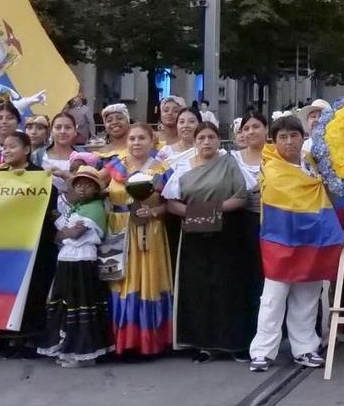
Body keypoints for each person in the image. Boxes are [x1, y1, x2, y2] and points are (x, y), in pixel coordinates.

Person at [250, 115, 344, 371]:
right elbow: (295, 202)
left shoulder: (311, 163)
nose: (289, 142)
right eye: (283, 137)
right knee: (272, 298)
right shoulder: (271, 166)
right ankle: (263, 352)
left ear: (303, 137)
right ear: (274, 140)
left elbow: (322, 201)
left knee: (308, 296)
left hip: (311, 242)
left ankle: (306, 348)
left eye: (294, 135)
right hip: (281, 240)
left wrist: (334, 231)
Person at [162, 119, 260, 359]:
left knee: (230, 288)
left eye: (211, 137)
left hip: (229, 234)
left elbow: (242, 196)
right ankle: (203, 344)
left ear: (218, 140)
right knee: (199, 289)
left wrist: (212, 210)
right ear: (194, 142)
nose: (206, 142)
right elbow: (171, 202)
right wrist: (195, 213)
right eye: (201, 138)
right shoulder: (182, 167)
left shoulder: (230, 163)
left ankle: (236, 344)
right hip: (195, 237)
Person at [101, 121, 173, 359]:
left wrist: (153, 212)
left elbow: (170, 203)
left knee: (146, 281)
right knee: (119, 282)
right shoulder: (115, 165)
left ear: (152, 140)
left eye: (141, 138)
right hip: (118, 229)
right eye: (132, 139)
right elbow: (92, 184)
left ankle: (147, 341)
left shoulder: (162, 169)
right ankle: (120, 340)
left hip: (149, 231)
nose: (136, 143)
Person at [39, 169, 112, 366]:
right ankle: (68, 348)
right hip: (67, 259)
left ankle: (83, 353)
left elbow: (74, 234)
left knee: (80, 304)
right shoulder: (76, 208)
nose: (82, 189)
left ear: (96, 189)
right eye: (79, 185)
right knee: (66, 304)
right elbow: (60, 235)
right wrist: (64, 232)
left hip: (82, 260)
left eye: (88, 185)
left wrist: (63, 229)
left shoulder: (94, 208)